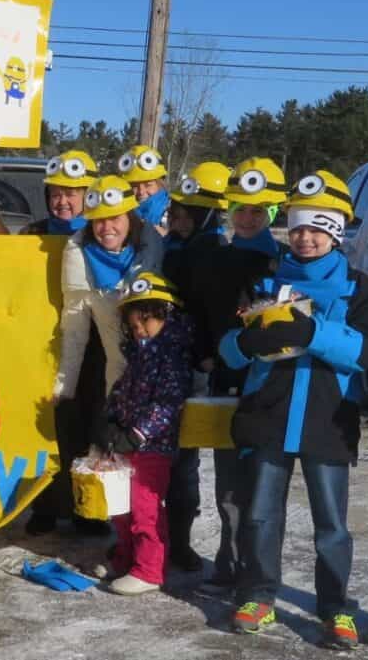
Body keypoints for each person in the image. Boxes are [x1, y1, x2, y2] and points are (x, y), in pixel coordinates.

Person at [219, 171, 368, 651]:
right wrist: (246, 340)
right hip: (268, 415)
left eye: (316, 227)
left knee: (331, 524)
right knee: (260, 515)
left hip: (327, 420)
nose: (305, 237)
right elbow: (229, 352)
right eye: (297, 226)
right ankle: (257, 593)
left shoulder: (363, 288)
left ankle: (335, 605)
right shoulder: (262, 280)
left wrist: (310, 334)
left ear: (335, 231)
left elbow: (365, 351)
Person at [187, 156, 286, 594]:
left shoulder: (283, 263)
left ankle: (257, 571)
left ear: (272, 213)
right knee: (228, 481)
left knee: (262, 483)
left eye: (256, 211)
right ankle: (229, 564)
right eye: (239, 209)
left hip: (268, 385)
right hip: (226, 379)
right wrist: (206, 355)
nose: (246, 218)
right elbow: (202, 315)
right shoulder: (215, 259)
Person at [54, 176, 164, 536]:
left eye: (114, 218)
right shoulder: (78, 250)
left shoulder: (151, 243)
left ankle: (158, 548)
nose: (106, 228)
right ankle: (120, 542)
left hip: (158, 372)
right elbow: (74, 325)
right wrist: (64, 385)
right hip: (117, 375)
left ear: (129, 217)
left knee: (154, 472)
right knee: (113, 457)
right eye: (99, 219)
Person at [21, 150, 108, 535]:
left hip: (94, 347)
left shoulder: (103, 235)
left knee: (89, 429)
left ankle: (87, 511)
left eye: (73, 192)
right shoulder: (32, 234)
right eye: (56, 193)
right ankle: (44, 506)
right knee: (46, 428)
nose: (63, 201)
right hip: (42, 346)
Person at [95, 272, 193, 595]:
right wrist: (110, 420)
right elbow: (122, 390)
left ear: (166, 315)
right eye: (135, 325)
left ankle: (149, 570)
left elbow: (167, 403)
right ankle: (126, 556)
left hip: (153, 447)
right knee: (121, 504)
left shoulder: (172, 357)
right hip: (125, 442)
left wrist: (138, 434)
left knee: (144, 508)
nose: (139, 331)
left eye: (146, 323)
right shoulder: (138, 354)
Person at [161, 161, 229, 572]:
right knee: (163, 454)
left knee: (184, 456)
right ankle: (161, 535)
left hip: (194, 365)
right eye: (178, 213)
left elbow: (214, 312)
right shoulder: (171, 249)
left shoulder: (211, 251)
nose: (181, 220)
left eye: (190, 215)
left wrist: (205, 352)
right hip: (164, 360)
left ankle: (181, 541)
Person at [117, 145, 169, 234]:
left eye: (148, 185)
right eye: (134, 186)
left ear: (160, 184)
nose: (141, 191)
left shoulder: (172, 212)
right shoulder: (121, 213)